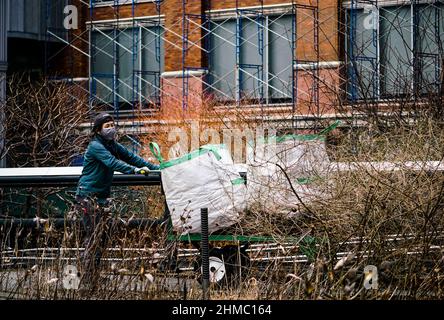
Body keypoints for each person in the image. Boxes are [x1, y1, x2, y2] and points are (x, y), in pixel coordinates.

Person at [75, 112, 159, 292]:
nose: (111, 129)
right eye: (107, 126)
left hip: (101, 197)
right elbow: (112, 163)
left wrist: (157, 169)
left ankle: (93, 277)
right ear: (98, 130)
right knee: (93, 239)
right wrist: (136, 171)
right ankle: (87, 281)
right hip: (88, 197)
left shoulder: (112, 144)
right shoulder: (96, 146)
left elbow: (132, 157)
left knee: (102, 238)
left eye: (113, 125)